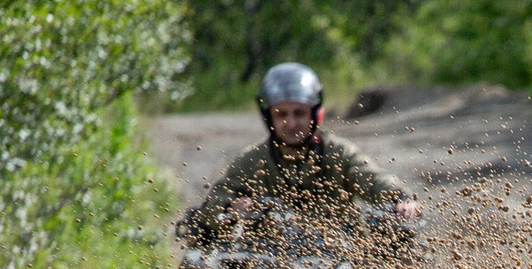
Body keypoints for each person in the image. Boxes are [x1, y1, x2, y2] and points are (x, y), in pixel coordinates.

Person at [178, 62, 420, 247]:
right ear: (268, 117)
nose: (291, 123)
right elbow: (214, 205)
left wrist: (401, 199)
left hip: (341, 260)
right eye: (281, 114)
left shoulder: (339, 153)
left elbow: (374, 179)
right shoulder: (252, 161)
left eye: (299, 113)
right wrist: (231, 208)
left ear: (315, 114)